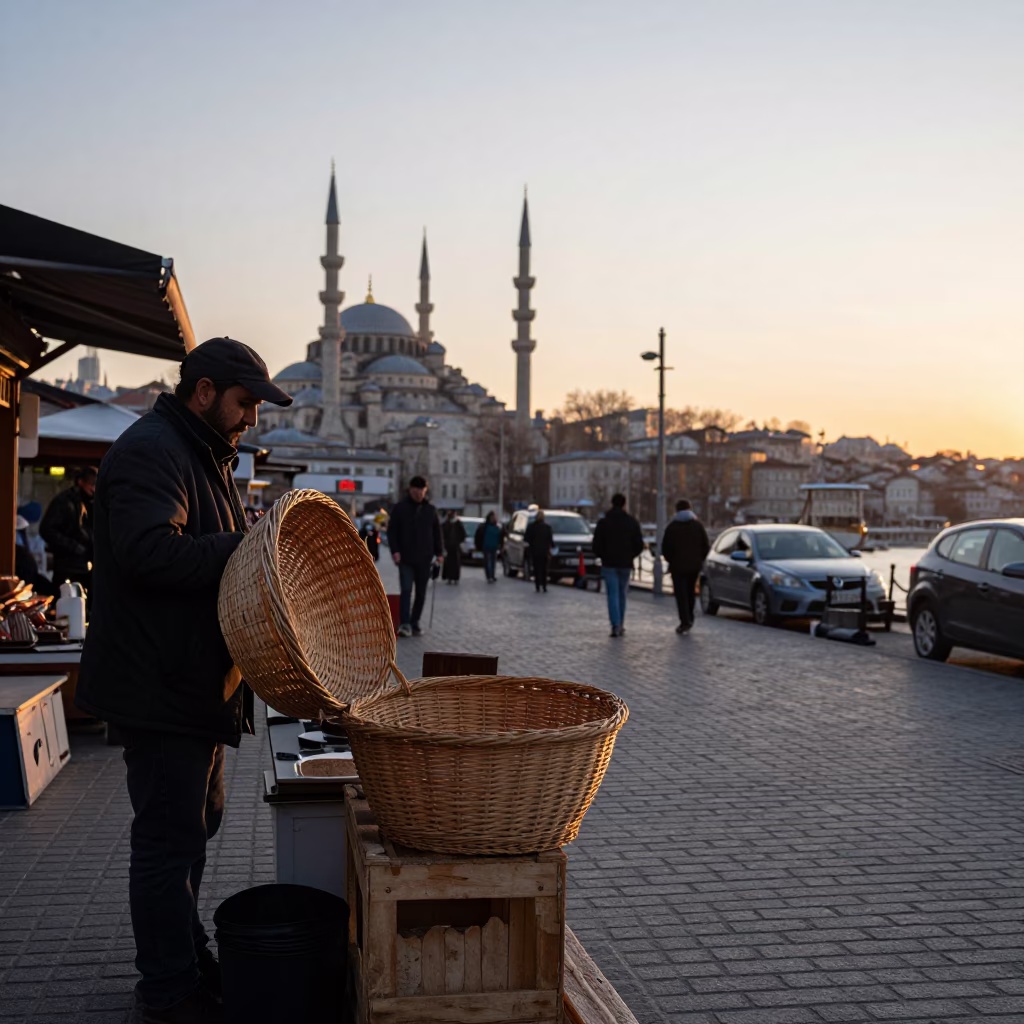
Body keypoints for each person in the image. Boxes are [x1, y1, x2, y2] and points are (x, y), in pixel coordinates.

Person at [76, 337, 293, 1024]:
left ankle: (183, 953)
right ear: (204, 392)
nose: (251, 417)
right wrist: (244, 545)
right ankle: (169, 989)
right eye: (245, 402)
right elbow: (148, 553)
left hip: (194, 684)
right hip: (161, 683)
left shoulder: (201, 454)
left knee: (197, 826)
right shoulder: (152, 452)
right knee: (169, 841)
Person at [387, 476, 443, 636]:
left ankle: (415, 621)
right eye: (415, 490)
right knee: (406, 590)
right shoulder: (400, 508)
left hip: (425, 559)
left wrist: (439, 553)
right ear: (410, 490)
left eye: (421, 490)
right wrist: (395, 551)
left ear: (425, 491)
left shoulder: (430, 510)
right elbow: (392, 532)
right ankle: (405, 624)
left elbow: (437, 533)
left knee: (421, 593)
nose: (418, 493)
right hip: (405, 558)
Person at [40, 466, 96, 600]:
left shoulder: (89, 502)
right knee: (67, 605)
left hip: (84, 565)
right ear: (81, 482)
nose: (94, 489)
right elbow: (47, 530)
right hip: (68, 566)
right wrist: (74, 547)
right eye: (92, 484)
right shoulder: (65, 502)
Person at [592, 493, 644, 637]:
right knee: (622, 593)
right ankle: (620, 622)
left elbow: (596, 545)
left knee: (612, 594)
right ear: (624, 504)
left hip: (609, 563)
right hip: (625, 563)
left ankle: (615, 624)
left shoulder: (604, 522)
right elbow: (639, 544)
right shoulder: (632, 522)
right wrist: (630, 555)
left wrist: (603, 555)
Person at [661, 499, 711, 634]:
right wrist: (699, 560)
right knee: (690, 592)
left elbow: (665, 548)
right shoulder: (697, 526)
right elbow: (706, 545)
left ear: (676, 511)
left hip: (677, 567)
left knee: (680, 594)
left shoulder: (672, 527)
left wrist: (671, 560)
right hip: (694, 566)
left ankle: (684, 620)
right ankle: (690, 618)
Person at [524, 509, 554, 593]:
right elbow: (550, 540)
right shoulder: (547, 527)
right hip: (544, 551)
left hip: (535, 551)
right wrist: (551, 548)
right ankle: (544, 585)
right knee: (544, 569)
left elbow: (527, 538)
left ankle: (538, 585)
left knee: (537, 569)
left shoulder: (531, 527)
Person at [474, 511, 505, 583]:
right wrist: (478, 545)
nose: (493, 518)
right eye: (492, 517)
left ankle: (492, 575)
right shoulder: (484, 527)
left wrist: (501, 546)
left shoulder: (497, 527)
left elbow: (501, 536)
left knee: (493, 563)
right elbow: (478, 536)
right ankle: (489, 576)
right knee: (488, 562)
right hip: (486, 547)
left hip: (494, 547)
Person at [441, 510, 467, 584]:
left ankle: (455, 578)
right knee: (449, 563)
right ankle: (449, 577)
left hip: (455, 546)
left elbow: (463, 534)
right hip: (448, 547)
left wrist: (458, 541)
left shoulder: (458, 524)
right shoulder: (446, 524)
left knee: (455, 563)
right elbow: (442, 534)